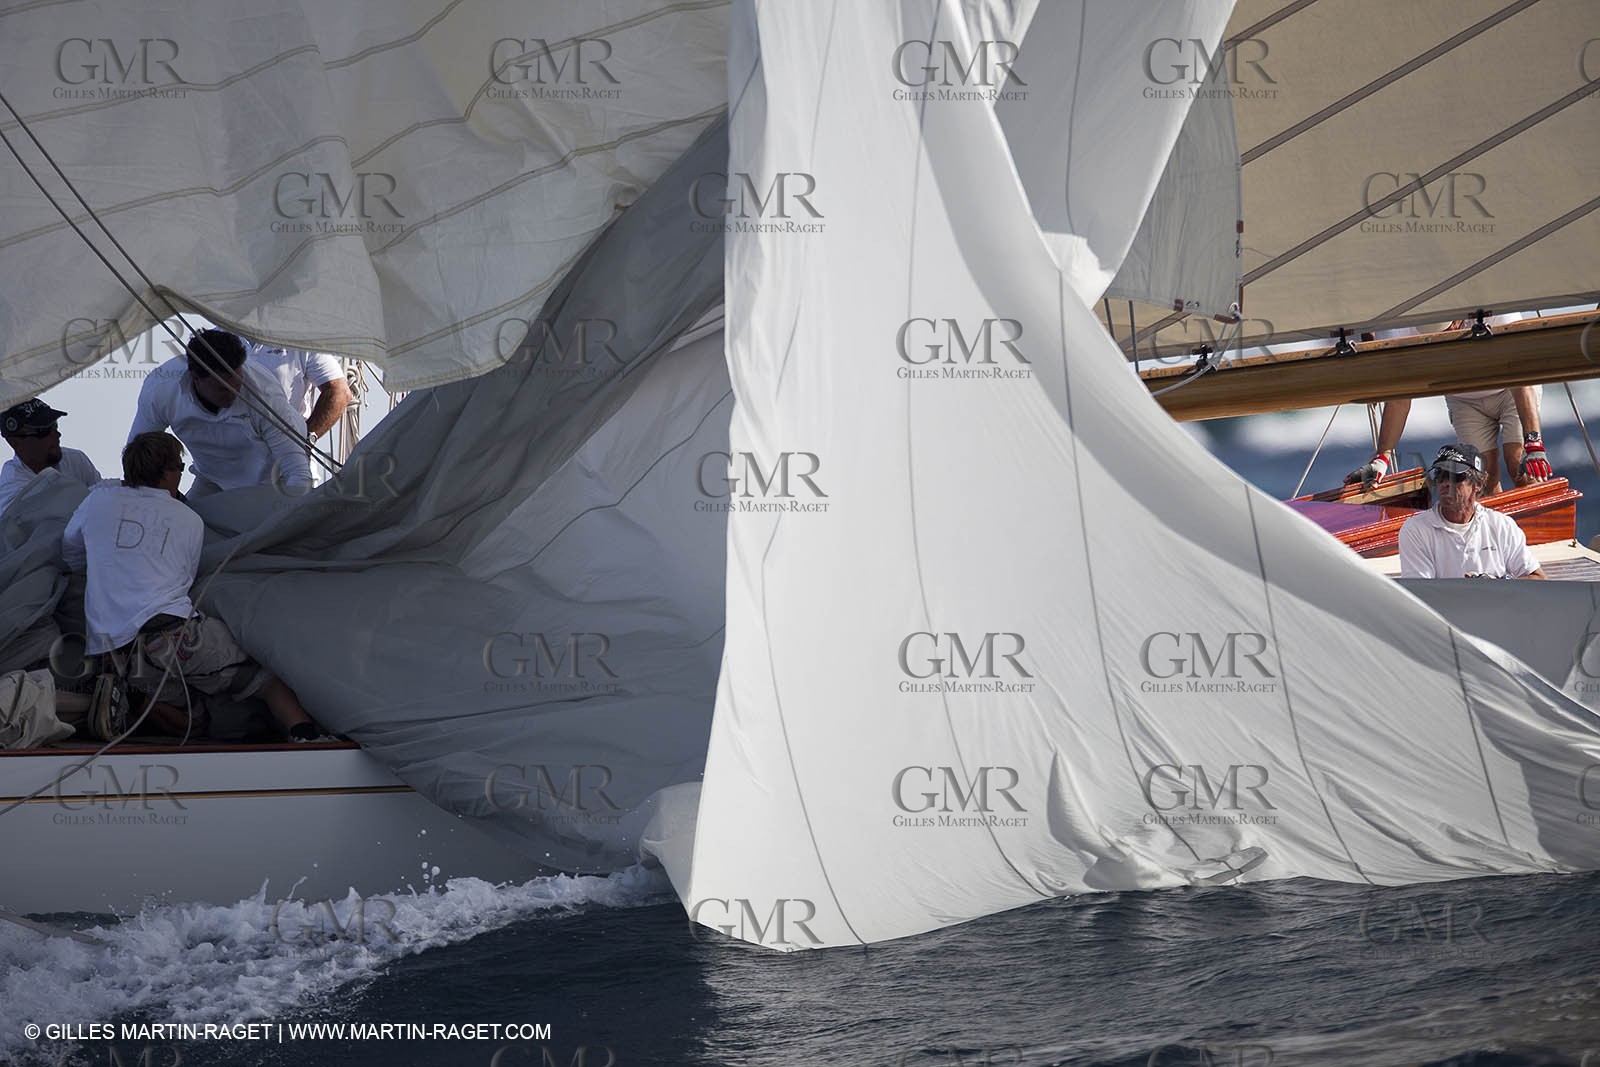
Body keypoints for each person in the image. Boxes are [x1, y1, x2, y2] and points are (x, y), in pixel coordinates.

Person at [61, 432, 326, 741]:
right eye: (179, 468)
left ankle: (131, 696)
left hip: (111, 652)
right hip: (173, 639)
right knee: (265, 677)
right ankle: (307, 736)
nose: (181, 475)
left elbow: (72, 554)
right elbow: (185, 581)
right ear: (166, 472)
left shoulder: (97, 500)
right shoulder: (188, 519)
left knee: (195, 719)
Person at [1346, 315, 1553, 493]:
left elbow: (1521, 382)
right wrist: (1382, 457)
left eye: (1448, 329)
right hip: (1463, 400)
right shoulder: (1397, 331)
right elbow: (1399, 399)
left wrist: (1533, 442)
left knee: (1520, 467)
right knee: (1483, 479)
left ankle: (1542, 533)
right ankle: (1500, 536)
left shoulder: (1498, 315)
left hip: (1510, 388)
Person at [127, 328, 313, 498]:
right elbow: (137, 458)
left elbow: (298, 473)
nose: (234, 391)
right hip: (209, 478)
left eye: (238, 381)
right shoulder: (160, 390)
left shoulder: (265, 395)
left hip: (271, 481)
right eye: (223, 388)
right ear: (195, 377)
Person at [1397, 443, 1546, 580]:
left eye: (1456, 476)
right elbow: (1421, 593)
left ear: (1478, 484)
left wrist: (1499, 584)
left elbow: (1538, 578)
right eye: (1440, 475)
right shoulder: (1415, 530)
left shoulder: (1501, 525)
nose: (1446, 483)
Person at [0, 398, 103, 515]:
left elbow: (103, 502)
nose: (57, 434)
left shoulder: (76, 460)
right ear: (15, 442)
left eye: (55, 425)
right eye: (43, 430)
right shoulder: (13, 493)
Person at [244, 342, 352, 445]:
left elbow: (339, 392)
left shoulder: (300, 339)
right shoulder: (227, 334)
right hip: (231, 453)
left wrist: (305, 441)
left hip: (282, 452)